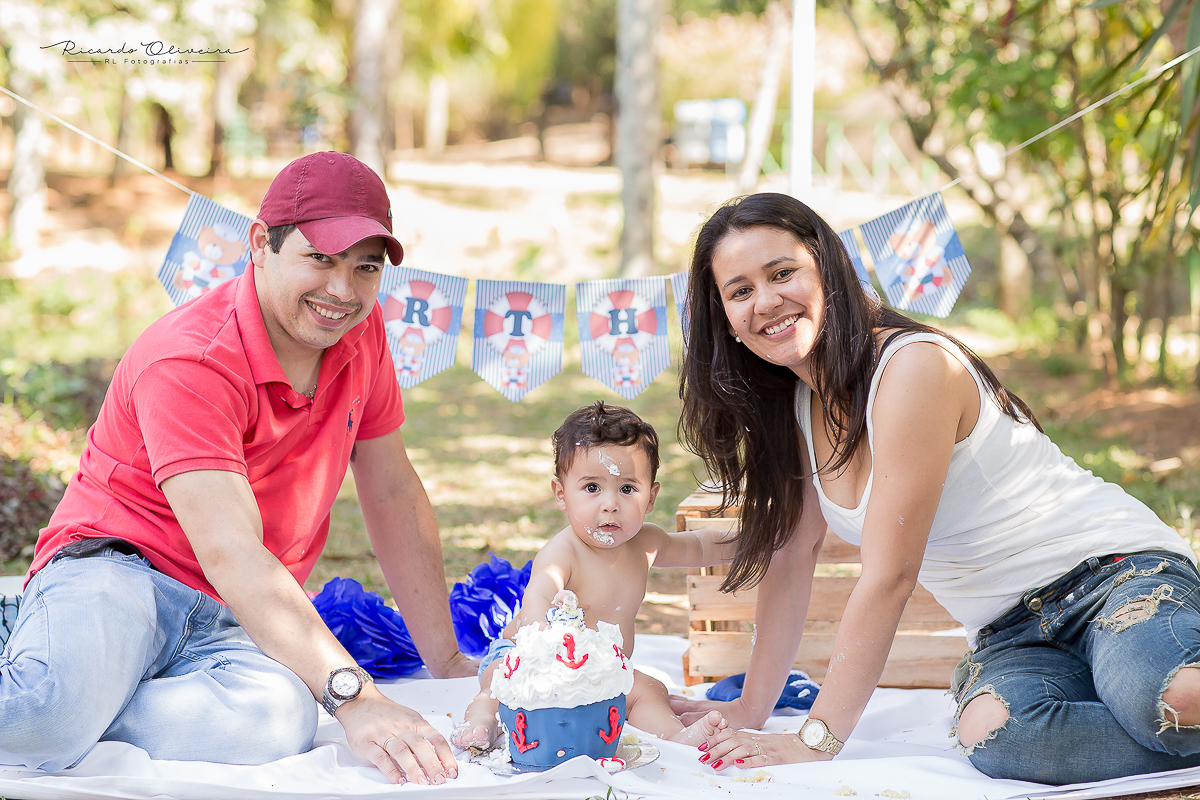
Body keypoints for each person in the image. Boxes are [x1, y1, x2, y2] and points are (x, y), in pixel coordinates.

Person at [669, 192, 1200, 785]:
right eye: (740, 291)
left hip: (1112, 578)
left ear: (831, 270)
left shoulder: (912, 367)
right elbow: (791, 558)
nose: (766, 301)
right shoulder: (794, 406)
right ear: (726, 322)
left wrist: (817, 740)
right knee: (999, 740)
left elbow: (890, 575)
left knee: (1175, 700)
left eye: (782, 272)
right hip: (1010, 633)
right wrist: (749, 709)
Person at [2, 152, 476, 786]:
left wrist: (444, 659)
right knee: (46, 723)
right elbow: (231, 550)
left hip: (231, 615)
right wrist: (359, 702)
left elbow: (390, 490)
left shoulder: (360, 335)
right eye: (320, 259)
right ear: (261, 244)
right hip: (118, 572)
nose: (342, 291)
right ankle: (53, 666)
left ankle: (78, 682)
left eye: (365, 268)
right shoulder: (192, 361)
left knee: (279, 724)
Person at [452, 401, 733, 751]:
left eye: (627, 489)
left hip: (602, 674)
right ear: (561, 494)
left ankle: (676, 736)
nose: (610, 504)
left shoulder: (646, 543)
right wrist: (545, 649)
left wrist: (751, 543)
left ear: (651, 498)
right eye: (592, 488)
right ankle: (482, 723)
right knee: (496, 684)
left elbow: (699, 548)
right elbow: (537, 597)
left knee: (650, 690)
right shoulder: (563, 553)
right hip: (533, 660)